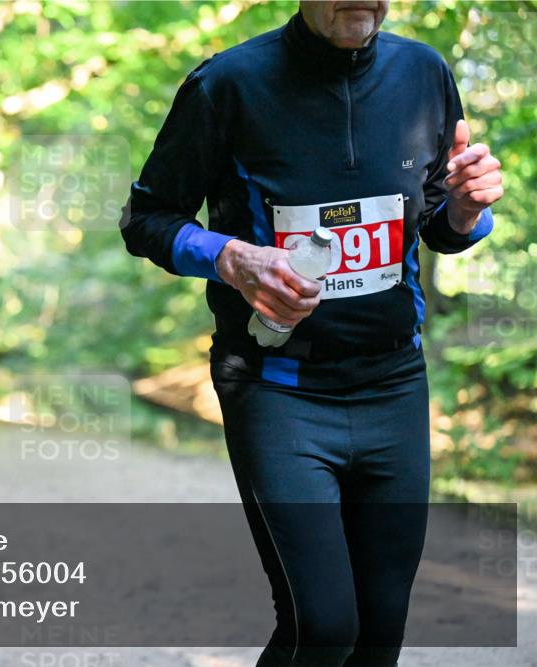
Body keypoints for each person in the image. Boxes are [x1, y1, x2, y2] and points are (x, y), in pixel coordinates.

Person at [121, 2, 502, 666]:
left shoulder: (424, 73)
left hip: (393, 385)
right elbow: (146, 219)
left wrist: (468, 211)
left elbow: (438, 218)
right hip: (278, 388)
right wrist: (230, 257)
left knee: (380, 632)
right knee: (323, 626)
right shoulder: (228, 84)